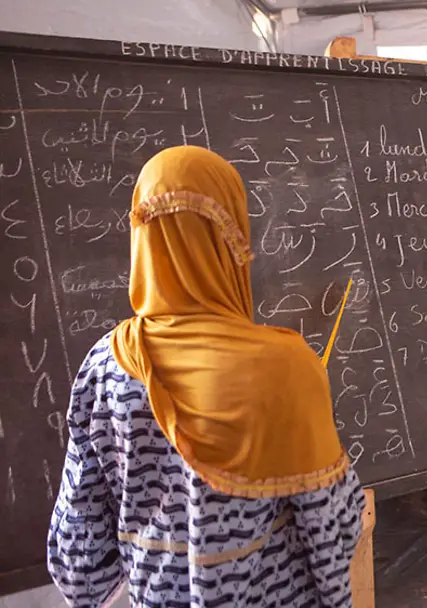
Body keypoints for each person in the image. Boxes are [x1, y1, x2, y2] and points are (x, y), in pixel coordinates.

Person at [47, 146, 364, 607]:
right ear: (232, 237)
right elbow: (333, 529)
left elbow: (78, 551)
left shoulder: (105, 366)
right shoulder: (287, 368)